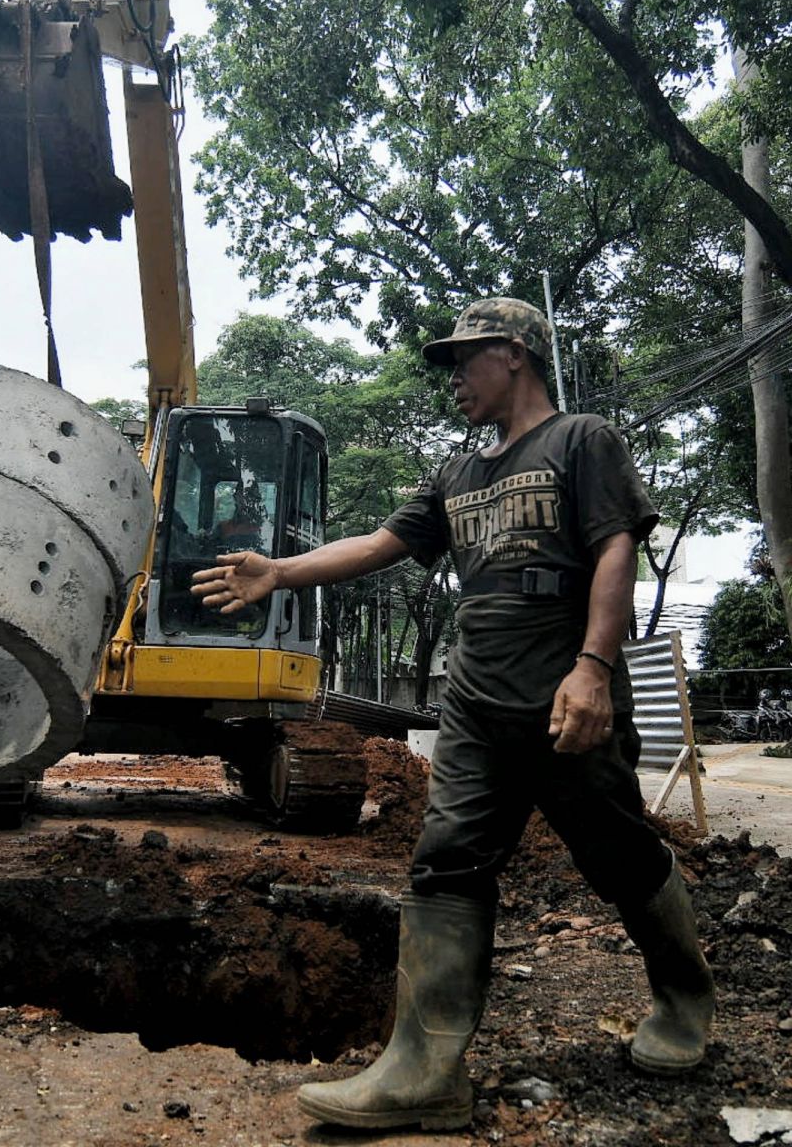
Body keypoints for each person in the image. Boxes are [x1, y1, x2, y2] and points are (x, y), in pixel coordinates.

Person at [192, 297, 713, 1132]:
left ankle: (685, 1002)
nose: (455, 380)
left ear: (513, 354)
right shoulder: (458, 473)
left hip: (561, 694)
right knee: (445, 861)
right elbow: (378, 544)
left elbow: (617, 548)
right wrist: (279, 572)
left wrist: (592, 670)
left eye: (465, 361)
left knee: (618, 853)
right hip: (475, 699)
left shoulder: (582, 441)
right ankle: (424, 1067)